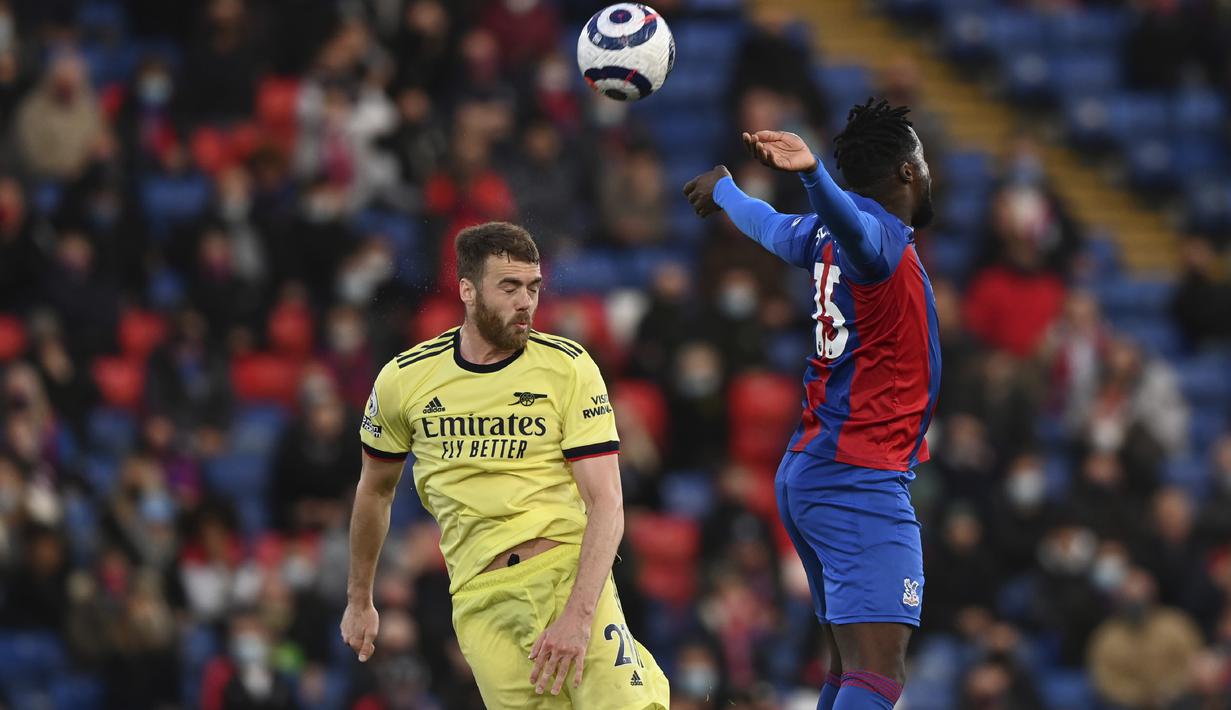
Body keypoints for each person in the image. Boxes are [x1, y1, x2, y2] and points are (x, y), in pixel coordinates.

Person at [340, 222, 669, 708]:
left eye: (533, 287)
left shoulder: (568, 367)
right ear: (467, 290)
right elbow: (374, 491)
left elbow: (607, 501)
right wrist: (359, 599)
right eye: (509, 287)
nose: (525, 302)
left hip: (565, 574)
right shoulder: (404, 380)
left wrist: (579, 616)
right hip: (480, 599)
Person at [683, 97, 941, 710]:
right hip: (857, 478)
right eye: (925, 162)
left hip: (816, 471)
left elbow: (771, 226)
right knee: (878, 674)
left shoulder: (823, 235)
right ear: (907, 171)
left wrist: (725, 191)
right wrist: (813, 174)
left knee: (849, 669)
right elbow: (858, 234)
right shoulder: (875, 239)